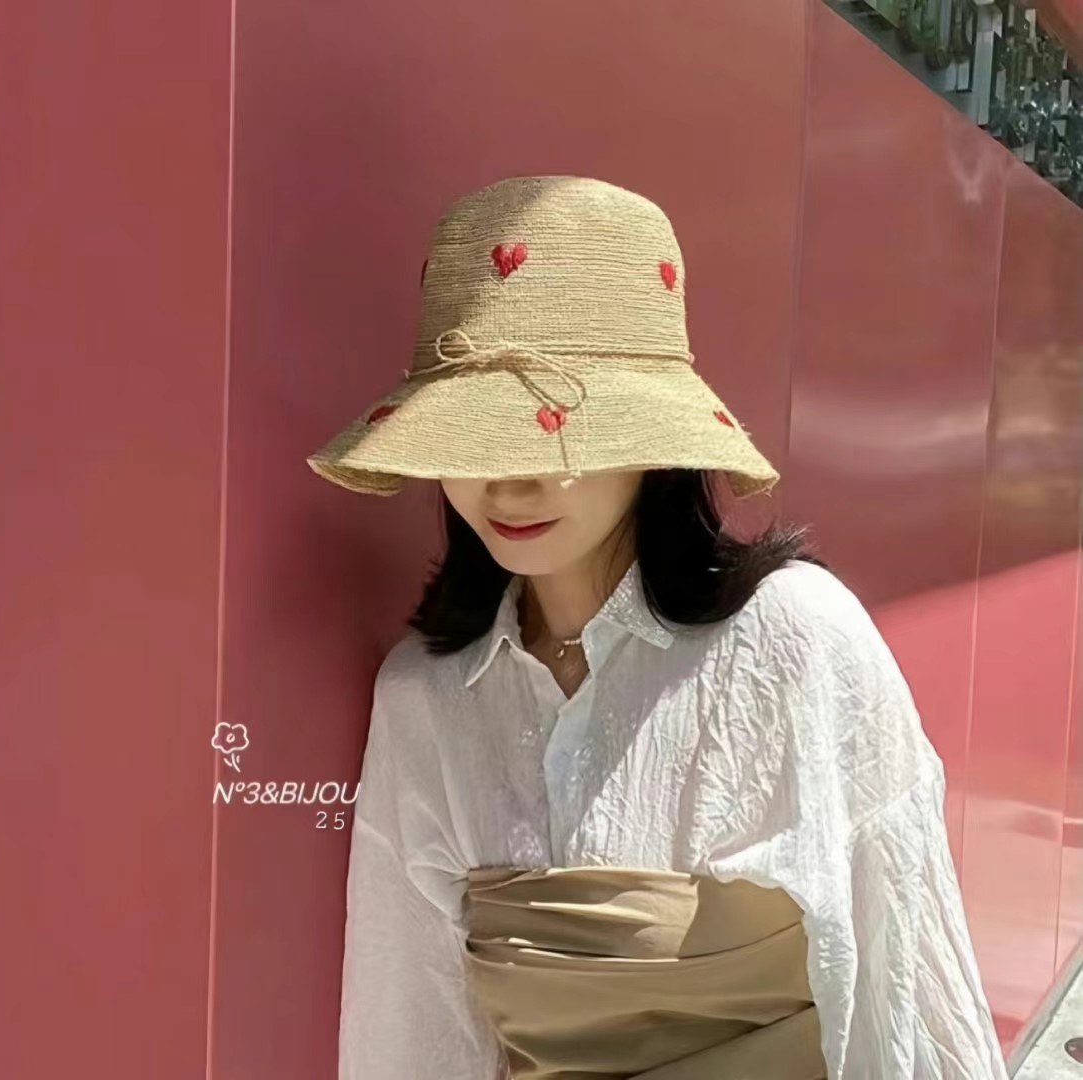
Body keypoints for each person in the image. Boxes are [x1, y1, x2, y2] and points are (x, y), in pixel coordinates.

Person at [306, 176, 1009, 1080]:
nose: (510, 483)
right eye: (475, 440)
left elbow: (904, 985)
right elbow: (409, 1025)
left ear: (655, 443)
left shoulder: (797, 643)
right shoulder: (425, 696)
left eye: (556, 436)